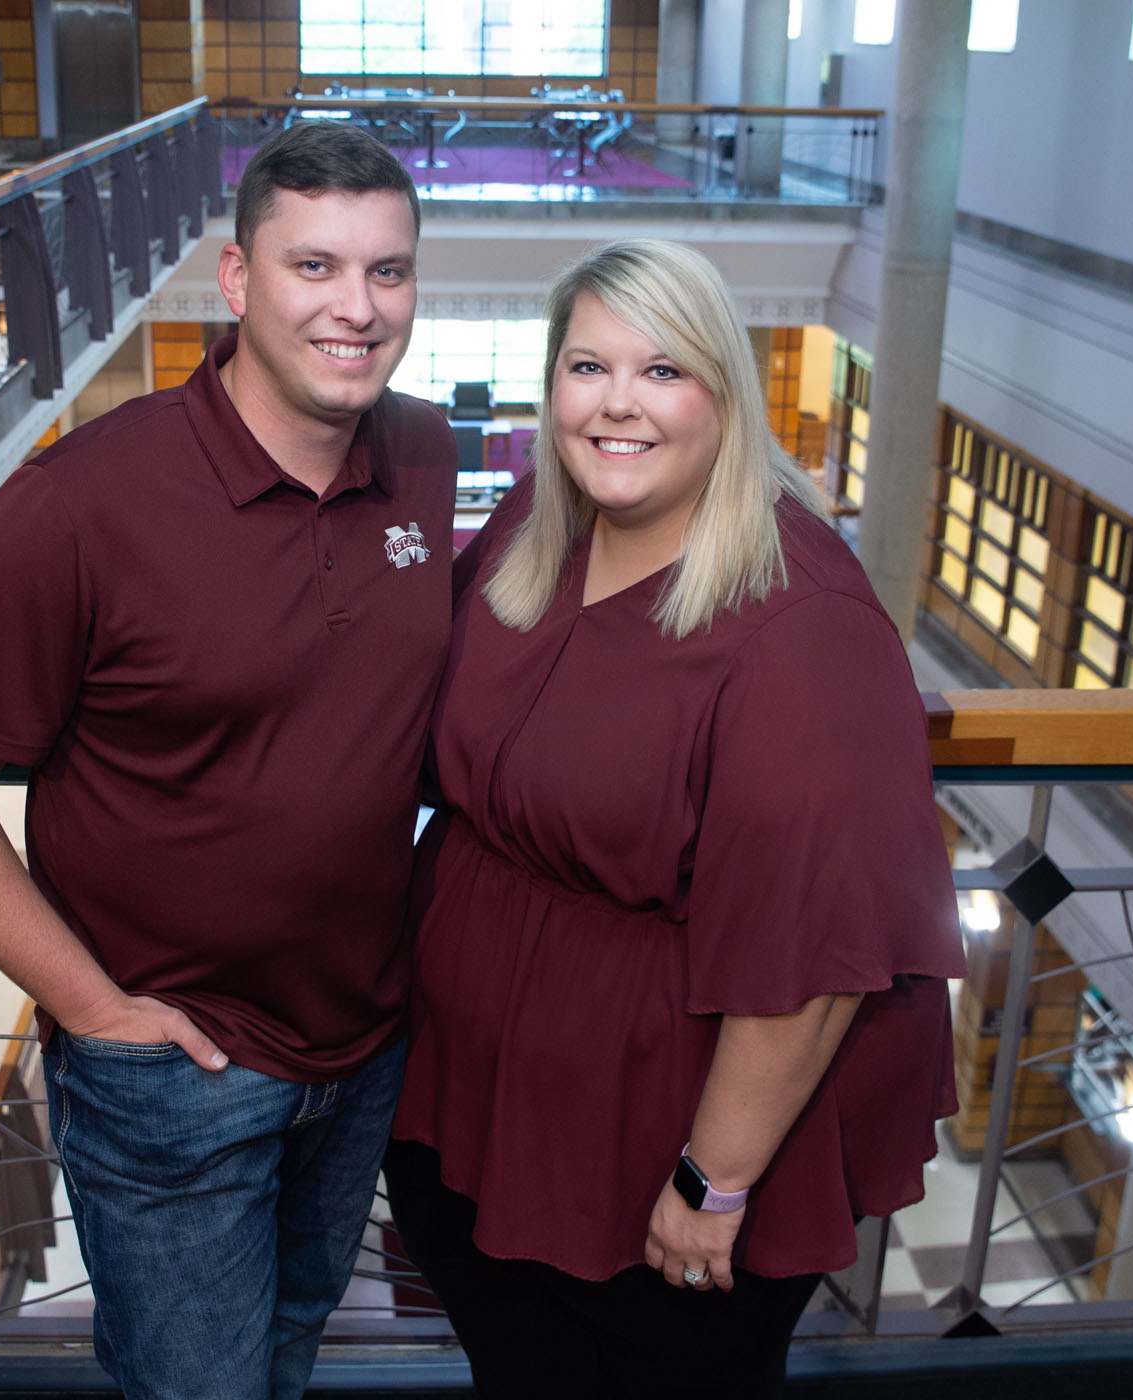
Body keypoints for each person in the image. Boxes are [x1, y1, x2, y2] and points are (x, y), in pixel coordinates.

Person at [0, 121, 455, 1400]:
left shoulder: (421, 455)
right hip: (172, 1067)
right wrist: (95, 1012)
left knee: (292, 1343)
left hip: (362, 1043)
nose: (356, 308)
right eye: (314, 267)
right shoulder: (79, 505)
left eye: (389, 271)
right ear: (238, 283)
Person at [383, 238, 966, 1398]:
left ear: (725, 394)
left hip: (661, 1140)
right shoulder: (531, 536)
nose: (616, 404)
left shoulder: (804, 629)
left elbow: (819, 957)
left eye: (662, 372)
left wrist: (715, 1181)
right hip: (481, 1104)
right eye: (587, 366)